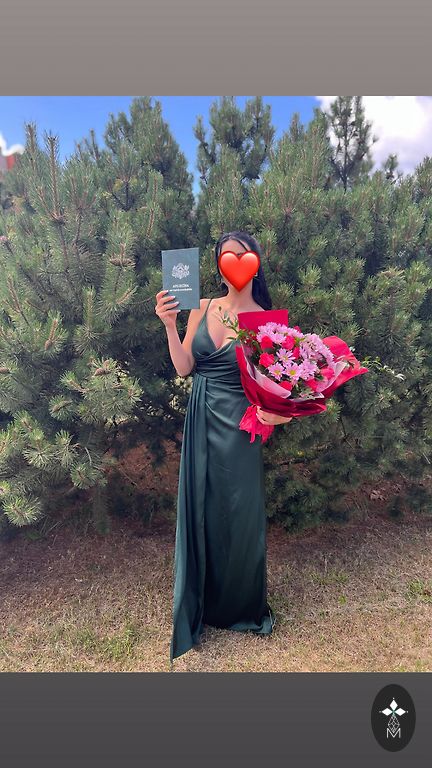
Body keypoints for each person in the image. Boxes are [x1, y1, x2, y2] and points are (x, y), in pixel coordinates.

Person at [155, 230, 293, 667]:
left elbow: (285, 391)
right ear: (218, 264)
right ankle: (203, 601)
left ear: (256, 260)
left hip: (242, 425)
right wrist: (170, 325)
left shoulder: (269, 320)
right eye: (226, 256)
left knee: (239, 511)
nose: (234, 261)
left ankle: (240, 606)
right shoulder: (201, 306)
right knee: (202, 506)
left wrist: (279, 416)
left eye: (242, 254)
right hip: (200, 418)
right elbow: (184, 368)